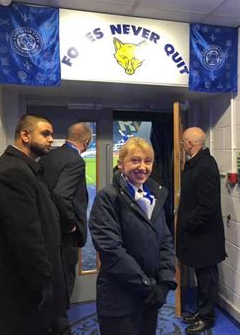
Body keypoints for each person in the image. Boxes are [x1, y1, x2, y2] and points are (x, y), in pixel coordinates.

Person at [0, 114, 67, 335]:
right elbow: (25, 238)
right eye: (45, 133)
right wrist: (44, 285)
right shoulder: (13, 172)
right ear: (25, 135)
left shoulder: (24, 168)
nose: (51, 139)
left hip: (28, 292)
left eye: (52, 135)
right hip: (22, 294)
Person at [89, 137, 176, 335]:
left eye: (148, 161)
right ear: (120, 163)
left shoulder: (155, 195)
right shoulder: (107, 198)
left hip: (151, 297)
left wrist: (164, 282)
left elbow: (166, 241)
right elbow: (111, 251)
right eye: (135, 160)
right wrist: (147, 286)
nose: (142, 167)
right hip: (119, 300)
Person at [39, 122, 92, 334]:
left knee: (52, 286)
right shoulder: (75, 161)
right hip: (65, 236)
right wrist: (70, 224)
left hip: (47, 233)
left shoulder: (47, 156)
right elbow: (62, 195)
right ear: (87, 142)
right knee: (63, 288)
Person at [176, 127, 226, 333]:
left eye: (183, 143)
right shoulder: (197, 163)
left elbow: (207, 206)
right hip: (200, 236)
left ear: (190, 144)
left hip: (205, 236)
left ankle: (207, 317)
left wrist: (187, 223)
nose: (183, 147)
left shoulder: (205, 165)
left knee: (207, 278)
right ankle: (201, 310)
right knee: (202, 276)